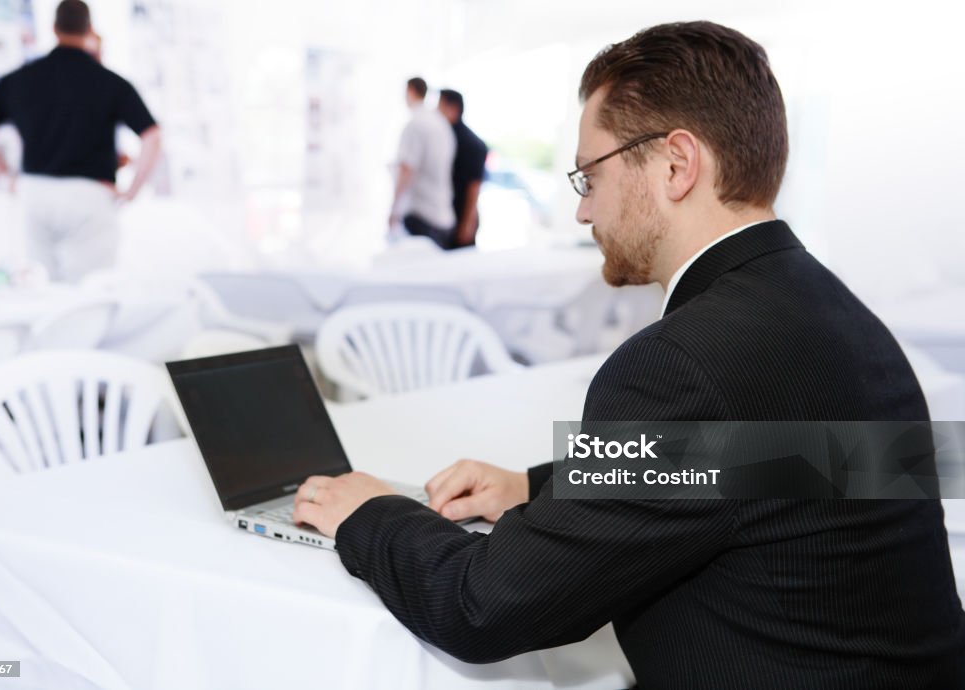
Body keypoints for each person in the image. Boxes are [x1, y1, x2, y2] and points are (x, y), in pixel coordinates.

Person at [293, 22, 965, 688]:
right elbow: (775, 465)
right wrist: (537, 486)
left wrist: (370, 512)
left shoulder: (682, 362)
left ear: (676, 164)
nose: (584, 213)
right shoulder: (836, 314)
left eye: (590, 177)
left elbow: (481, 607)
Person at [0, 0, 161, 283]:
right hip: (89, 196)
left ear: (53, 29)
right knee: (92, 292)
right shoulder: (110, 83)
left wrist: (4, 178)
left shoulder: (21, 79)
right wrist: (133, 190)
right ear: (90, 29)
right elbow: (152, 135)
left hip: (34, 194)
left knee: (37, 289)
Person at [388, 77, 456, 249]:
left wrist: (393, 211)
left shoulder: (414, 124)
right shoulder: (441, 123)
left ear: (410, 91)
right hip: (443, 217)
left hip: (421, 217)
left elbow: (406, 169)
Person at [438, 89, 488, 248]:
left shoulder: (469, 143)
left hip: (462, 215)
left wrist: (467, 223)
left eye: (440, 106)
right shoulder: (445, 136)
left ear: (453, 108)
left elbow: (474, 185)